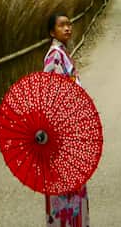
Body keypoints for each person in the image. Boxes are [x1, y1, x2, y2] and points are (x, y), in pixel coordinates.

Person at [41, 12, 88, 227]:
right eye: (61, 26)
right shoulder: (54, 56)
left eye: (69, 24)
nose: (67, 28)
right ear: (52, 31)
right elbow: (52, 93)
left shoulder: (63, 53)